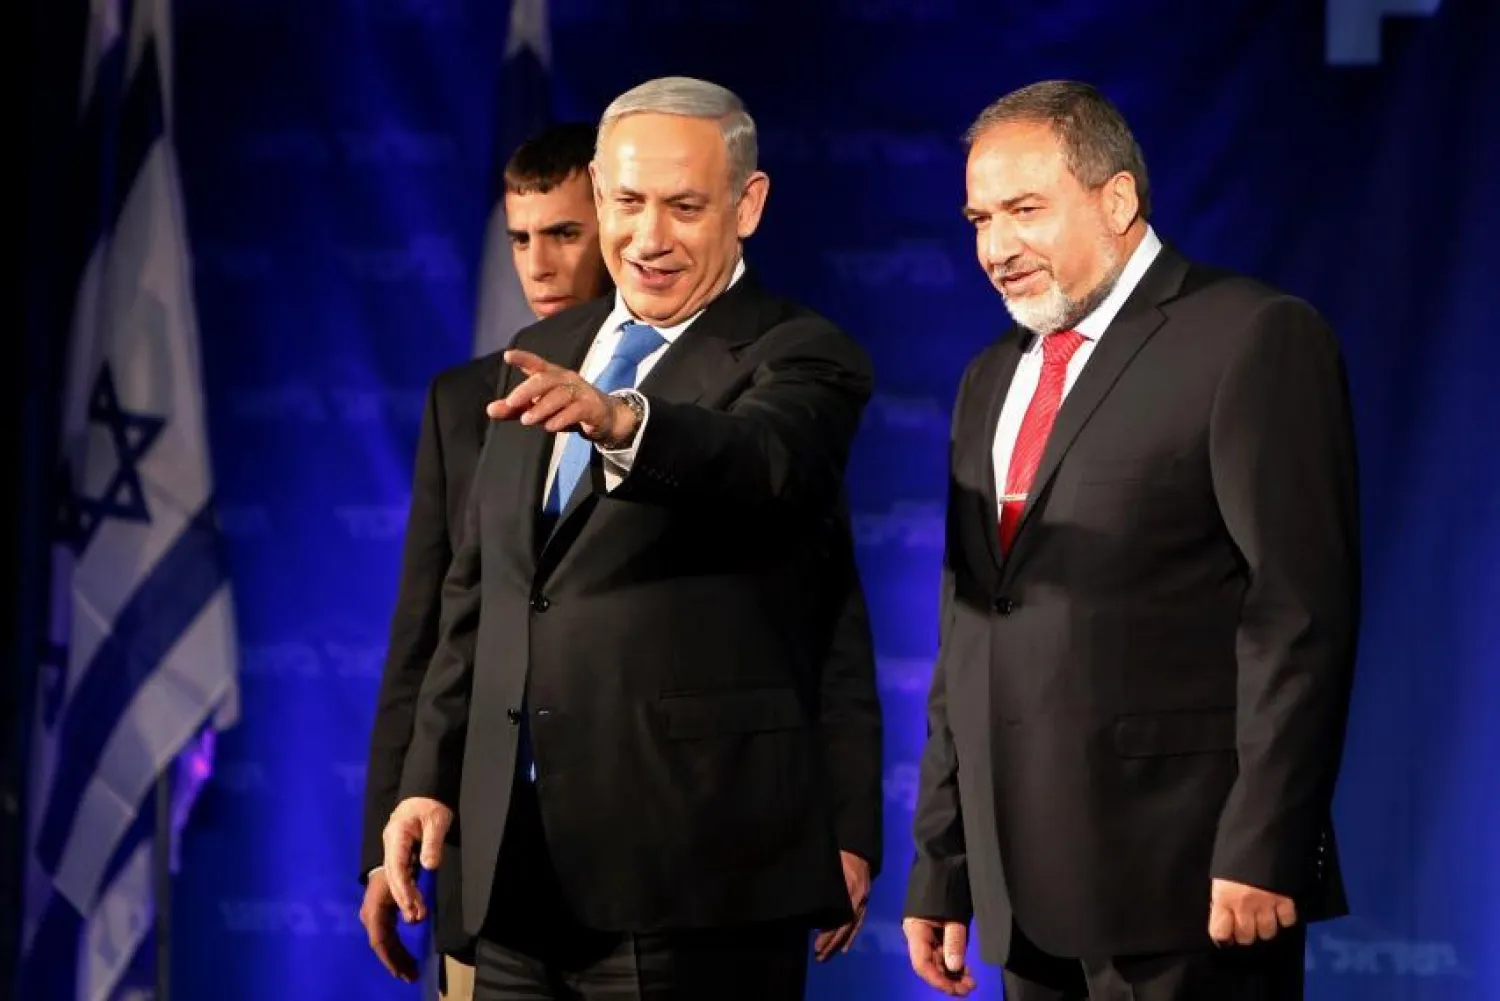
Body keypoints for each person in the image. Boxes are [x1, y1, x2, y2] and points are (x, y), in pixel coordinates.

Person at [381, 76, 882, 1000]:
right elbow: (483, 598)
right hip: (512, 877)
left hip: (693, 878)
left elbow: (760, 459)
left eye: (685, 207)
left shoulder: (803, 353)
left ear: (748, 205)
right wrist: (428, 780)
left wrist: (624, 421)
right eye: (626, 202)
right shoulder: (538, 351)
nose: (648, 238)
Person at [901, 80, 1360, 1001]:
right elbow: (969, 634)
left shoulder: (1252, 336)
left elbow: (1298, 611)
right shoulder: (991, 377)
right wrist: (945, 863)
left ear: (1117, 200)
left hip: (1189, 885)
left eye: (1025, 210)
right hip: (1022, 895)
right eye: (980, 218)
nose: (995, 247)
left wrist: (1267, 840)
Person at [358, 121, 612, 1001]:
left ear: (616, 227)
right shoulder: (464, 403)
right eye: (520, 239)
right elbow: (425, 637)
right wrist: (380, 844)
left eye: (564, 234)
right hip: (484, 861)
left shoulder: (672, 406)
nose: (537, 264)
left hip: (644, 855)